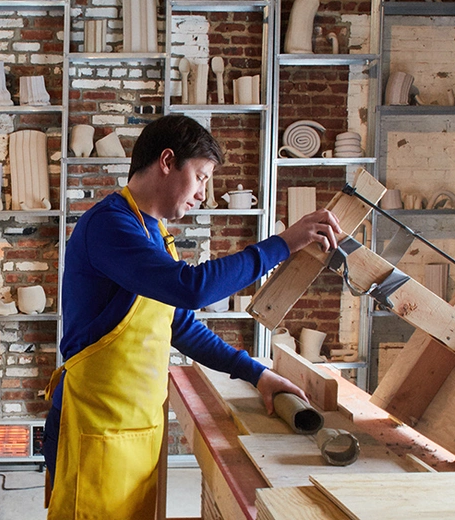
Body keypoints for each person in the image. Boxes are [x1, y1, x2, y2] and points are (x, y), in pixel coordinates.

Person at [43, 115, 342, 519]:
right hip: (94, 429)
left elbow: (179, 325)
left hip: (137, 431)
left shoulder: (156, 234)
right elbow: (193, 287)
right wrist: (284, 244)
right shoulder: (110, 226)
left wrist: (258, 373)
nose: (203, 193)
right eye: (201, 177)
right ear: (167, 161)